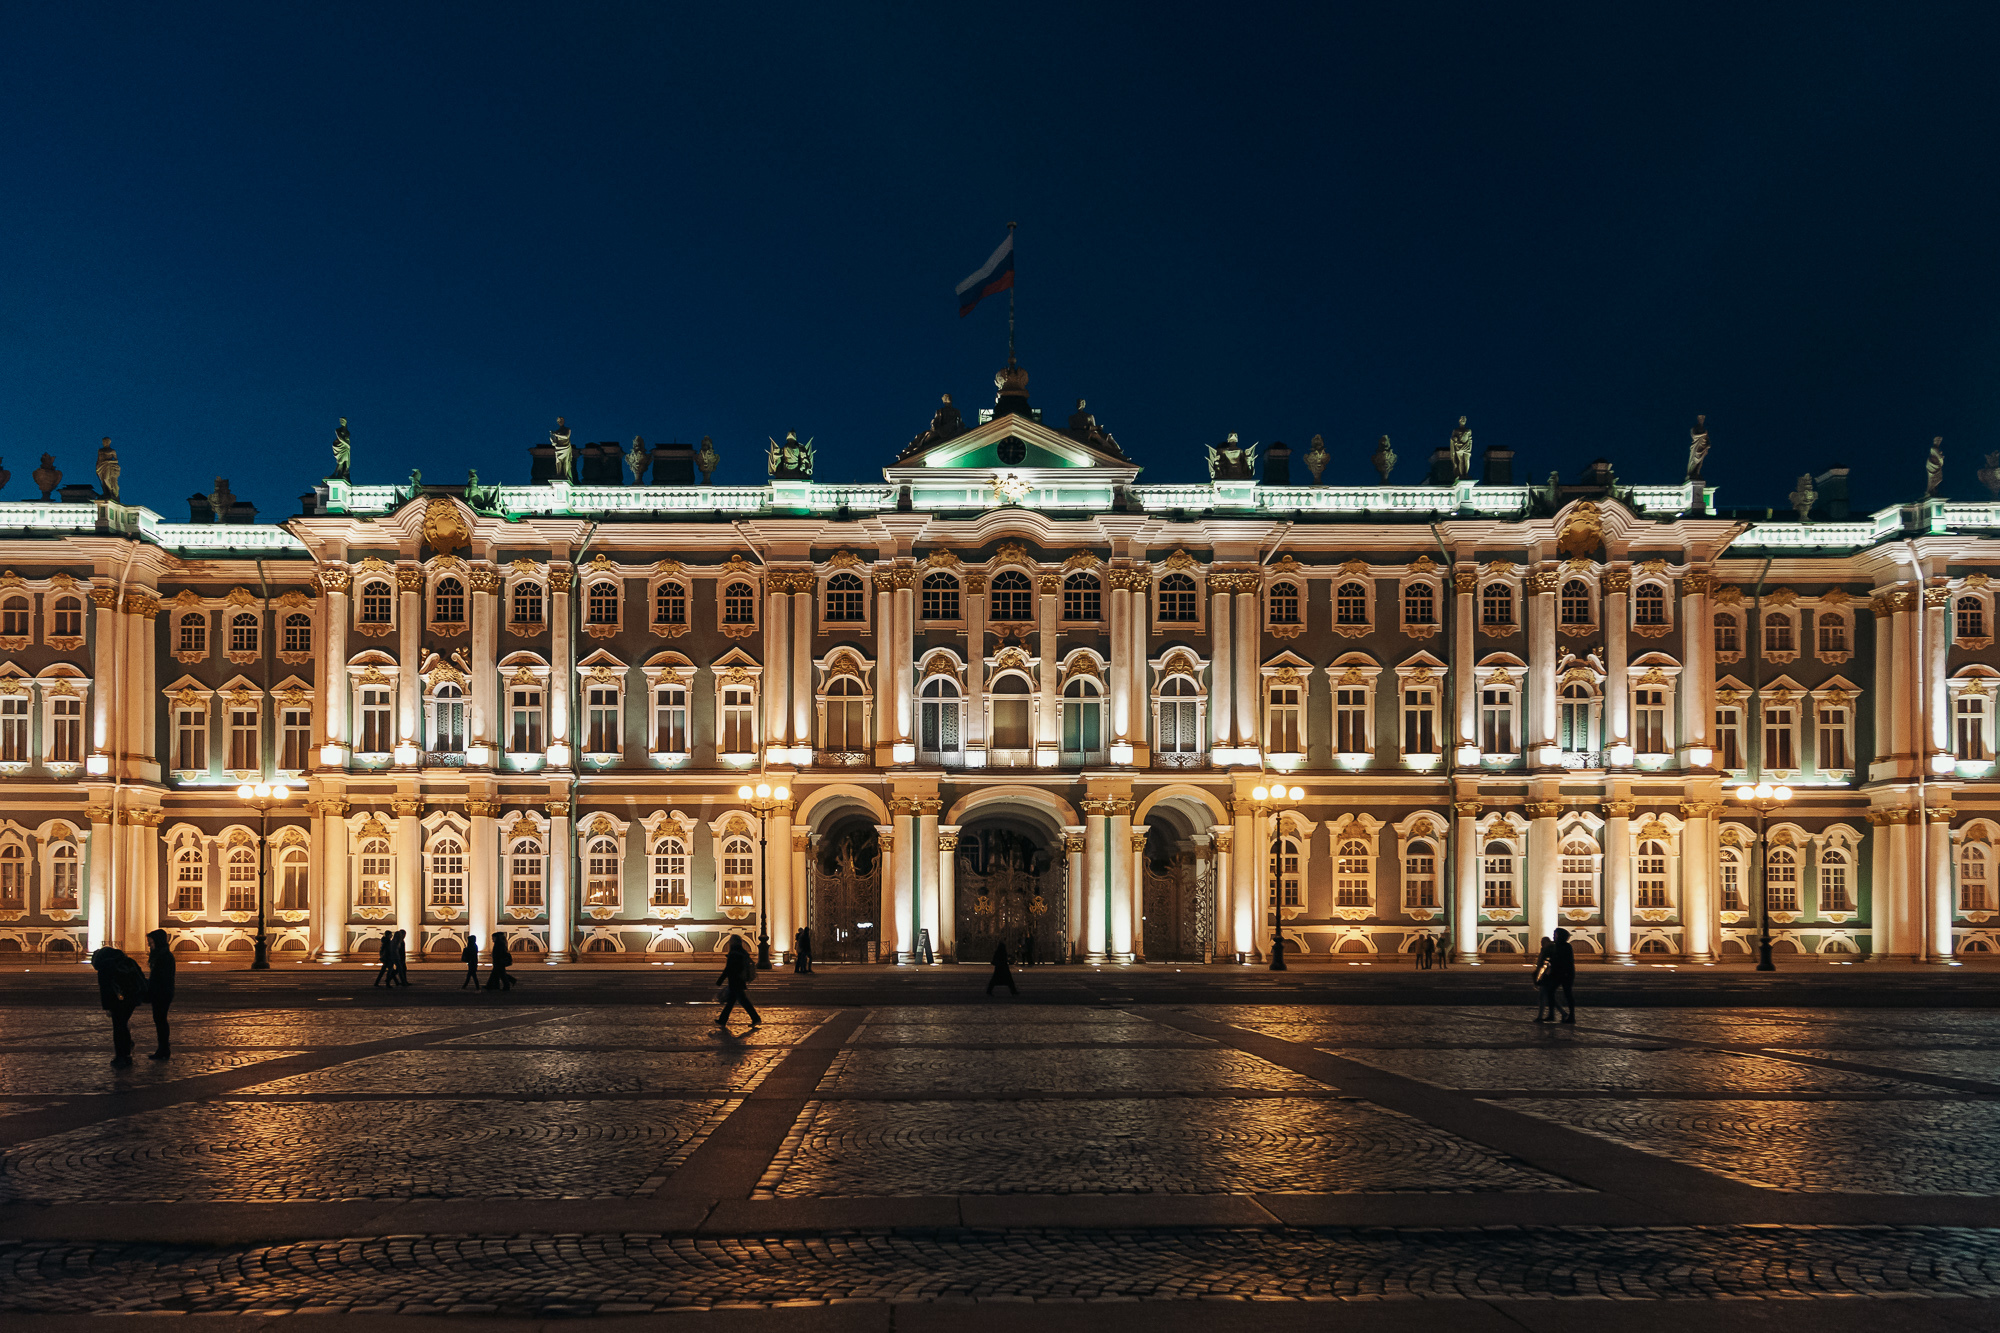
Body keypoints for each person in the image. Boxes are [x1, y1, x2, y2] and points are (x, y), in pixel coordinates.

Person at [90, 946, 147, 1067]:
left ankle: (121, 1056)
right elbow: (141, 978)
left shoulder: (104, 967)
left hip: (117, 1001)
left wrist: (107, 1008)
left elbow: (105, 990)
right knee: (123, 1025)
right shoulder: (128, 961)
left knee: (118, 1028)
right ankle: (126, 1052)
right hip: (132, 998)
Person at [716, 936, 761, 1027]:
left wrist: (720, 979)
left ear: (733, 942)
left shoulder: (734, 953)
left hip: (735, 980)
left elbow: (728, 968)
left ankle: (756, 1018)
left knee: (742, 1001)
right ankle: (722, 1020)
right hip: (739, 979)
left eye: (731, 941)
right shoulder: (742, 952)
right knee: (732, 1001)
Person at [144, 929, 175, 1060]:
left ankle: (163, 1049)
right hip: (162, 992)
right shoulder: (162, 955)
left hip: (162, 993)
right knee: (160, 1020)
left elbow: (159, 977)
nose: (150, 945)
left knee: (160, 1020)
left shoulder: (164, 957)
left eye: (151, 942)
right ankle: (163, 1048)